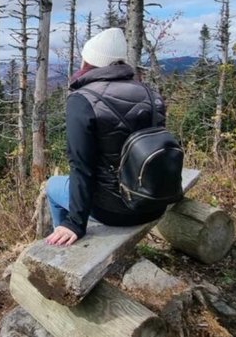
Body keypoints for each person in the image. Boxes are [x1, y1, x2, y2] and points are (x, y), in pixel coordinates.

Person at [45, 28, 167, 247]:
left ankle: (61, 245)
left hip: (113, 211)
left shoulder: (83, 100)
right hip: (154, 201)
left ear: (88, 61)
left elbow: (81, 165)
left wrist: (75, 222)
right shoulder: (151, 94)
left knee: (53, 185)